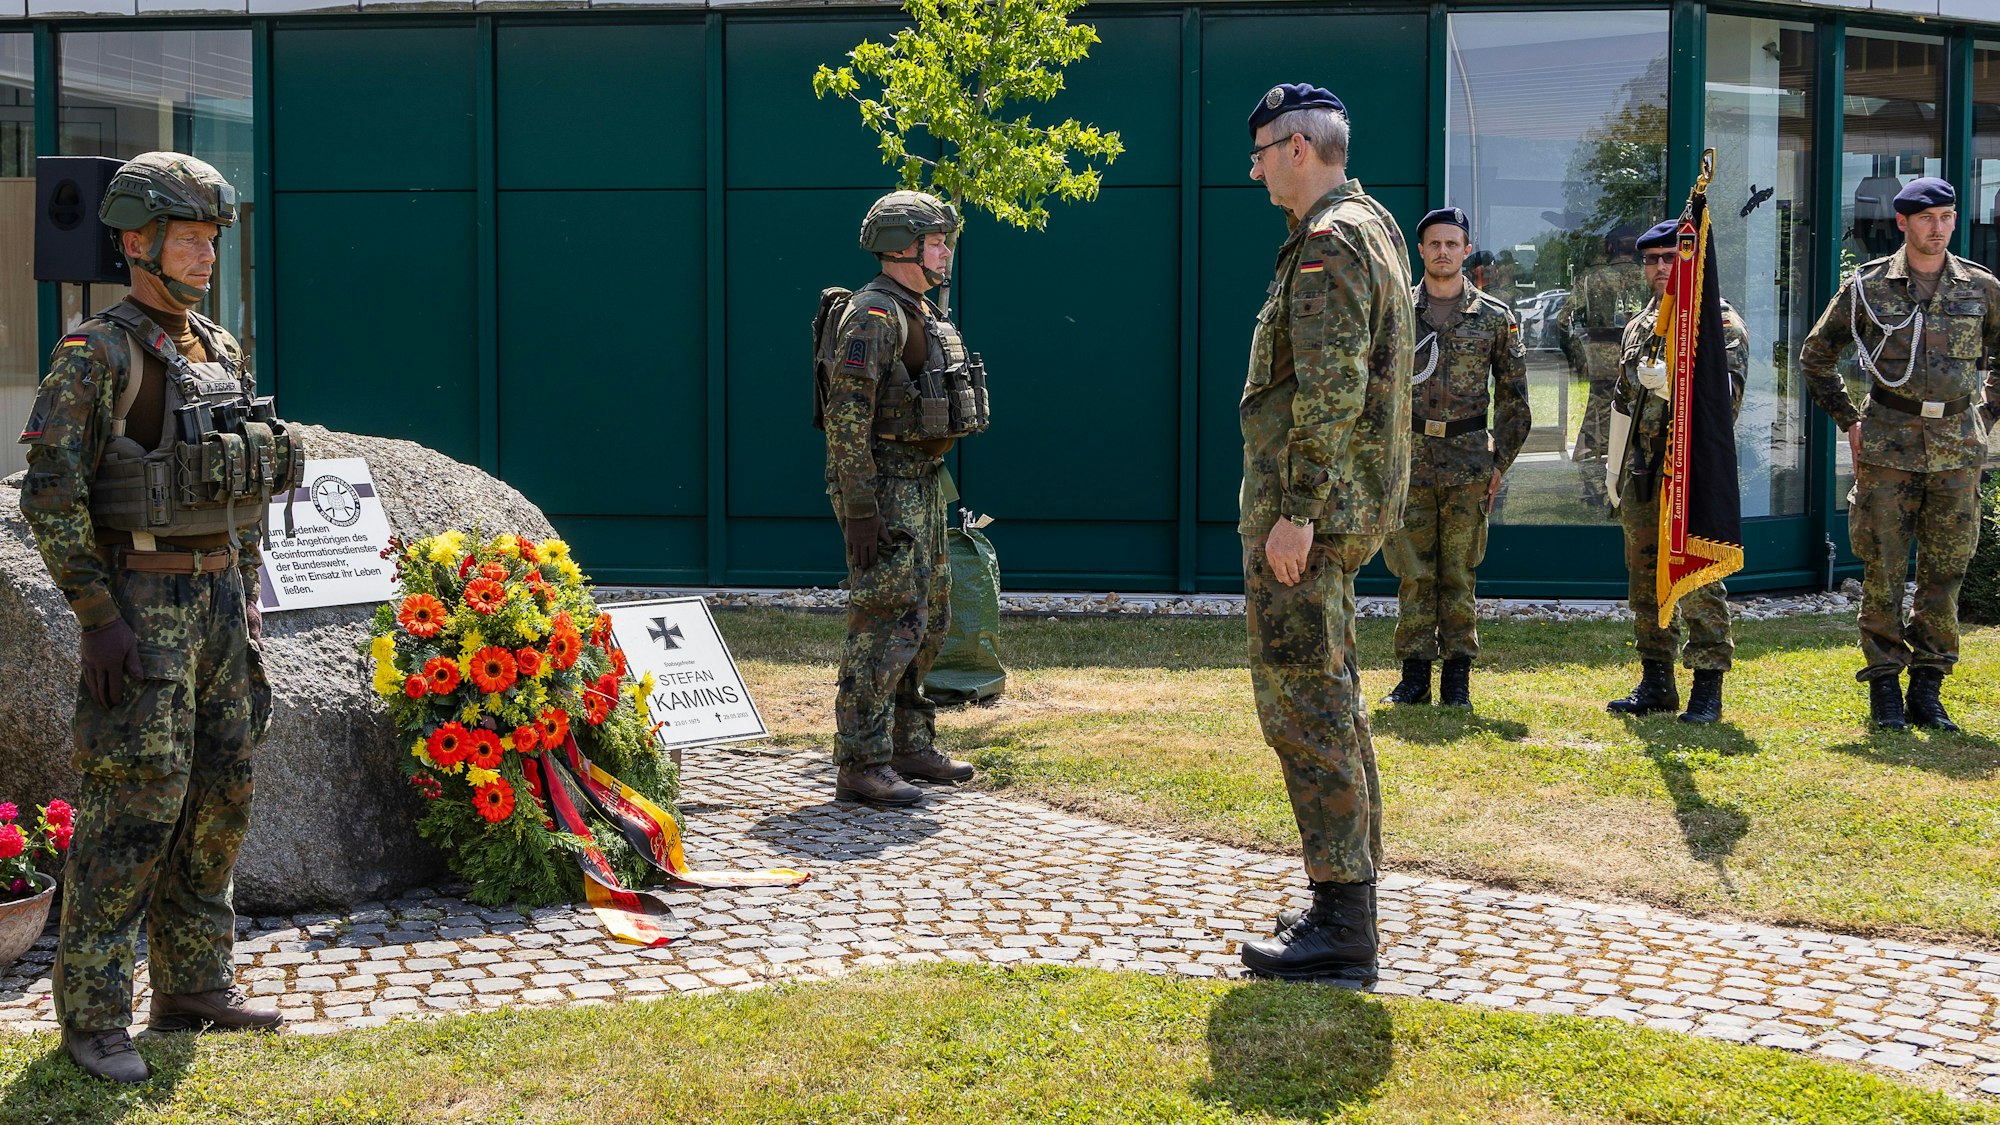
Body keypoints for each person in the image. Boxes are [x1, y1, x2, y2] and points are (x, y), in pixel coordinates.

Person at [16, 152, 298, 1083]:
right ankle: (93, 1014)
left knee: (223, 792)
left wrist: (247, 608)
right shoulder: (94, 354)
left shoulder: (218, 347)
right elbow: (50, 496)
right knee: (133, 808)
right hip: (141, 609)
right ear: (136, 243)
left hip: (219, 605)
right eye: (189, 237)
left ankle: (192, 985)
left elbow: (238, 489)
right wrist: (98, 616)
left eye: (213, 238)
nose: (207, 253)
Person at [1232, 83, 1413, 981]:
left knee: (1306, 707)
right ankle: (1347, 899)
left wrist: (1297, 511)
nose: (1256, 165)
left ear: (1298, 147)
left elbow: (1333, 387)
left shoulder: (1332, 241)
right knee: (1332, 697)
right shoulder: (1371, 224)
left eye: (1262, 150)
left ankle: (1343, 922)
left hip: (1311, 512)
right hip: (1340, 505)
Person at [1798, 177, 2000, 731]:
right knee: (1883, 568)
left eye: (1947, 217)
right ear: (1904, 222)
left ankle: (1929, 689)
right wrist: (1849, 419)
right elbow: (1816, 356)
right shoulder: (1867, 289)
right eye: (1927, 217)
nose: (1938, 227)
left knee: (1946, 569)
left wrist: (1981, 417)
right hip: (1888, 444)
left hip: (1958, 451)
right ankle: (1885, 687)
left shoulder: (1981, 289)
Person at [816, 190, 986, 805]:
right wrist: (861, 511)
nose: (946, 252)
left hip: (921, 483)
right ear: (902, 248)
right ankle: (861, 759)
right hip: (883, 486)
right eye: (936, 242)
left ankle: (910, 741)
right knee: (886, 620)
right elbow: (847, 419)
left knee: (930, 618)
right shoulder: (873, 317)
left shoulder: (919, 310)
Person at [1381, 207, 1531, 708]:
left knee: (1460, 572)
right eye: (1434, 244)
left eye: (1452, 244)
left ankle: (1458, 678)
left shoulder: (1493, 317)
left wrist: (1499, 464)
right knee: (1413, 571)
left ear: (1466, 251)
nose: (1443, 252)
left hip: (1469, 463)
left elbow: (1514, 399)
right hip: (1411, 459)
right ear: (1420, 251)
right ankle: (1414, 675)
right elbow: (1373, 388)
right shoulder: (1396, 310)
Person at [1604, 220, 1749, 724]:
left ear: (1692, 261)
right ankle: (1656, 680)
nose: (1661, 268)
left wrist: (1673, 386)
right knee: (1644, 579)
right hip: (1643, 472)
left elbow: (1724, 404)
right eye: (1651, 259)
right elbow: (1621, 402)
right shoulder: (1641, 326)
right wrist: (1612, 465)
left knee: (1698, 581)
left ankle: (1707, 686)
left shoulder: (1721, 325)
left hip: (1692, 475)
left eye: (1670, 257)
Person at [1566, 231, 1650, 516]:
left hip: (1599, 356)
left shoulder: (1592, 277)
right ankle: (1626, 487)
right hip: (1640, 359)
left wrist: (1575, 356)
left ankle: (1595, 490)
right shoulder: (1647, 276)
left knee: (1596, 422)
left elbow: (1564, 319)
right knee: (1637, 421)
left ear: (1610, 248)